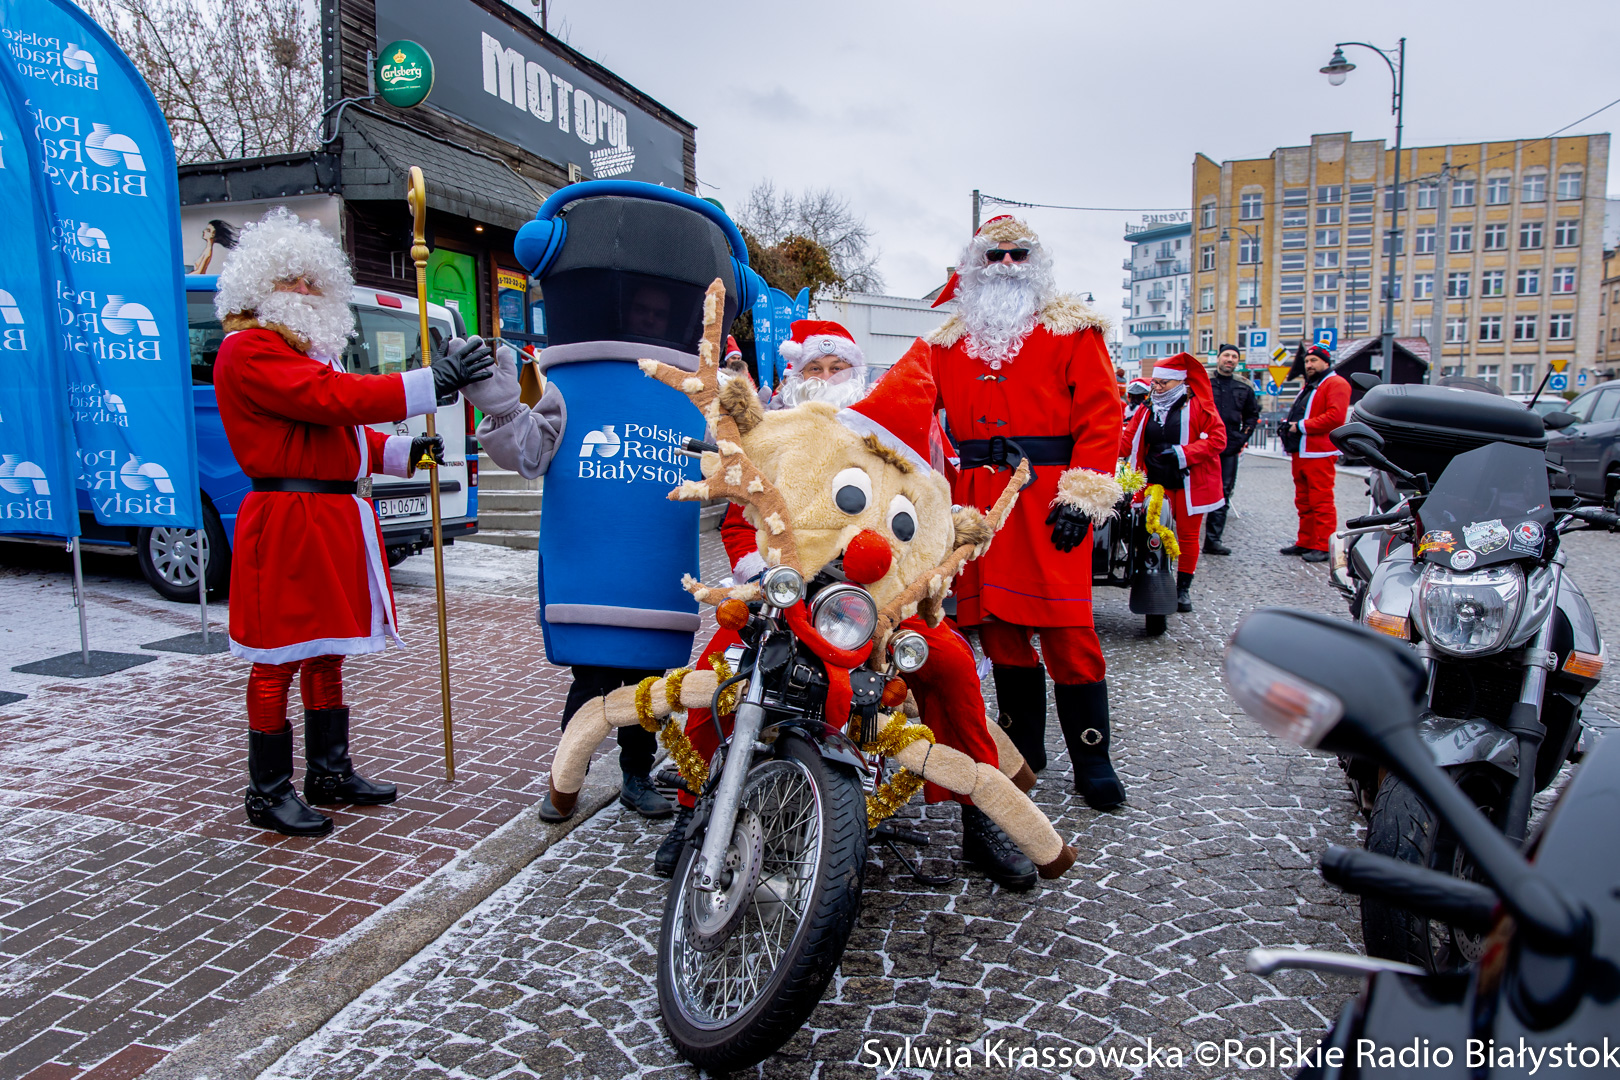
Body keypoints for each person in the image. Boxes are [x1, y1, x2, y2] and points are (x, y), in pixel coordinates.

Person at [658, 350, 1041, 889]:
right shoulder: (778, 434)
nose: (823, 379)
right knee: (720, 663)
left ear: (859, 374)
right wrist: (764, 568)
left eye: (836, 367)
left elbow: (935, 522)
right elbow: (741, 523)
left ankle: (979, 816)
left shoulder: (904, 449)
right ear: (795, 378)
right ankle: (693, 803)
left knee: (953, 665)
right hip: (788, 590)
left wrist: (936, 563)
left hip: (883, 604)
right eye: (812, 369)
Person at [211, 209, 495, 836]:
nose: (307, 293)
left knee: (326, 651)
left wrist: (401, 453)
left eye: (314, 282)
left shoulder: (302, 354)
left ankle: (329, 771)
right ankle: (268, 789)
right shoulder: (251, 349)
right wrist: (431, 382)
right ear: (263, 287)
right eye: (294, 282)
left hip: (328, 516)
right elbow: (331, 401)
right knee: (278, 657)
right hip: (288, 518)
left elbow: (340, 429)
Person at [905, 215, 1126, 811]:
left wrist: (1083, 496)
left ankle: (1093, 755)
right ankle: (1024, 747)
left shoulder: (1076, 332)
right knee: (999, 627)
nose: (1006, 265)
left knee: (1068, 628)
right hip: (978, 502)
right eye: (994, 256)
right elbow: (904, 413)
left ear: (1037, 262)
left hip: (1050, 497)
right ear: (972, 267)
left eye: (1018, 255)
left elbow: (1105, 416)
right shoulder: (944, 342)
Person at [458, 337, 676, 823]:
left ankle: (636, 776)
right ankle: (566, 776)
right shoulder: (572, 387)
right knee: (592, 680)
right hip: (592, 557)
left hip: (650, 561)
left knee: (645, 683)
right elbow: (531, 454)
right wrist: (504, 411)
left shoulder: (674, 390)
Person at [1118, 353, 1226, 611]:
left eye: (1163, 383)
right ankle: (1154, 578)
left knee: (1188, 537)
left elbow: (1218, 440)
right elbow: (1127, 442)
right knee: (1151, 533)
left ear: (1179, 382)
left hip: (1189, 483)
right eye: (1155, 382)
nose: (1156, 387)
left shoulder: (1200, 406)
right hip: (1155, 484)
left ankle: (1183, 590)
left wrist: (1183, 454)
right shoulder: (1146, 409)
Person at [1280, 343, 1350, 564]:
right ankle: (1306, 541)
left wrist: (1299, 426)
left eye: (1314, 361)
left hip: (1318, 452)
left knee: (1321, 501)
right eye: (1307, 361)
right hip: (1302, 451)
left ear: (1326, 362)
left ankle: (1322, 545)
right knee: (1303, 501)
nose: (1309, 364)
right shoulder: (1312, 385)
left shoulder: (1336, 383)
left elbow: (1335, 417)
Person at [1203, 344, 1260, 556]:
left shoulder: (1244, 386)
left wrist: (1242, 438)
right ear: (1218, 358)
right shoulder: (1205, 383)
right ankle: (1185, 537)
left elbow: (1252, 416)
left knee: (1223, 493)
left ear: (1238, 361)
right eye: (1226, 355)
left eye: (1234, 356)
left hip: (1229, 448)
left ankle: (1212, 540)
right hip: (1203, 446)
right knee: (1195, 490)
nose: (1230, 359)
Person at [768, 319, 869, 409]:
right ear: (800, 375)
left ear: (853, 374)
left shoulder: (872, 425)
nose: (825, 378)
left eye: (837, 369)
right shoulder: (778, 421)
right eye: (815, 369)